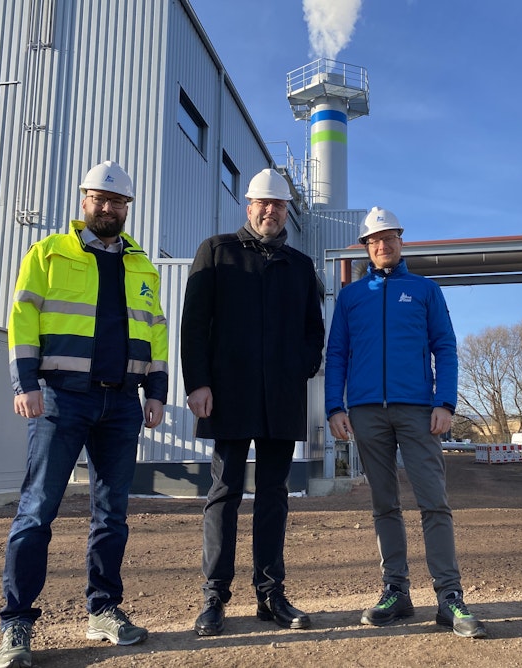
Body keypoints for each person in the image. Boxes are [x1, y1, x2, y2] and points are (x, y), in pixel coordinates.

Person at [0, 161, 169, 668]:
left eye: (117, 202)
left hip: (122, 404)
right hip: (60, 397)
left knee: (111, 514)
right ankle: (16, 623)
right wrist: (25, 383)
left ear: (127, 209)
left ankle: (103, 610)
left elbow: (155, 331)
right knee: (37, 511)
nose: (108, 208)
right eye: (100, 199)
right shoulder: (49, 252)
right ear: (83, 201)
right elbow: (22, 316)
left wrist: (155, 391)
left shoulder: (142, 266)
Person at [324, 207, 488, 639]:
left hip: (418, 410)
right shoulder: (351, 298)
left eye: (390, 237)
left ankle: (449, 597)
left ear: (401, 241)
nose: (383, 245)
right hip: (365, 412)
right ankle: (395, 591)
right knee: (384, 505)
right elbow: (336, 354)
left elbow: (445, 347)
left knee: (433, 502)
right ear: (365, 247)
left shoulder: (425, 291)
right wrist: (334, 408)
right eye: (374, 240)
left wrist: (445, 403)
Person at [181, 168, 325, 636]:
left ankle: (270, 594)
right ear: (249, 207)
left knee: (273, 497)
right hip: (229, 394)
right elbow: (194, 323)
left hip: (281, 398)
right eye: (263, 204)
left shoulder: (301, 267)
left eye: (279, 205)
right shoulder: (217, 251)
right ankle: (214, 597)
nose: (270, 211)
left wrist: (298, 367)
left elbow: (312, 330)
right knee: (224, 494)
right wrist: (198, 382)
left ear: (287, 211)